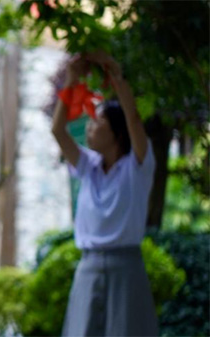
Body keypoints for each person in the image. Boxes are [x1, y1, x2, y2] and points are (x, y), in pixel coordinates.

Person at [51, 51, 158, 336]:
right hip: (88, 266)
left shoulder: (137, 167)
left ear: (117, 134)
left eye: (98, 122)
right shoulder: (88, 167)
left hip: (127, 268)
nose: (89, 126)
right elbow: (58, 131)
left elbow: (134, 120)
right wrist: (71, 82)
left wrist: (119, 81)